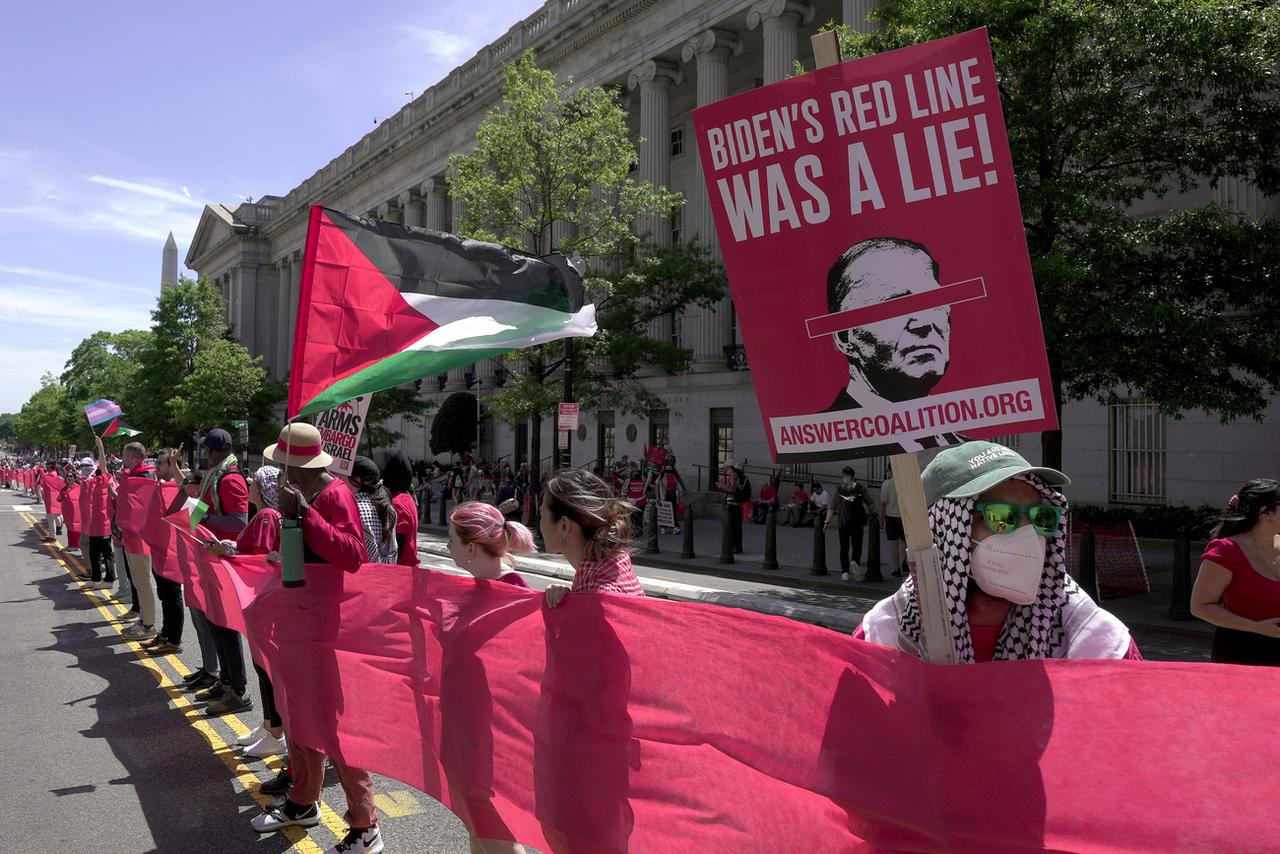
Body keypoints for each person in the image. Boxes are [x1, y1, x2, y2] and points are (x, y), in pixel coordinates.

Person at [856, 441, 1141, 662]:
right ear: (944, 530)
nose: (1028, 535)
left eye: (1041, 517)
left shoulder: (1095, 641)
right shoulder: (885, 635)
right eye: (1002, 517)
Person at [250, 423, 385, 854]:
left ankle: (365, 824)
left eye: (282, 463)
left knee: (335, 726)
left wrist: (307, 515)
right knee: (300, 717)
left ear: (296, 464)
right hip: (300, 624)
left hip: (325, 629)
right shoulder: (301, 493)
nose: (278, 470)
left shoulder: (333, 494)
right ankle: (304, 800)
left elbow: (352, 556)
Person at [823, 237, 962, 452]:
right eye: (895, 306)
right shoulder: (822, 447)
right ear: (844, 337)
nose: (924, 323)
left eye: (933, 300)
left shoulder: (963, 446)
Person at [206, 465, 289, 758]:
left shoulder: (267, 516)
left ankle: (275, 731)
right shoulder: (267, 515)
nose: (249, 484)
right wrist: (231, 546)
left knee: (265, 668)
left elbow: (261, 558)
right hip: (264, 601)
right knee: (261, 667)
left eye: (254, 481)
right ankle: (269, 725)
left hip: (262, 602)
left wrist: (228, 551)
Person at [1190, 479, 1280, 666]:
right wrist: (1256, 627)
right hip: (1242, 654)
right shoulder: (1226, 551)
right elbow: (1200, 606)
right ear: (1266, 512)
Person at [540, 469, 645, 607]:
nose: (540, 523)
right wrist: (568, 604)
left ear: (564, 526)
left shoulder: (597, 599)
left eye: (541, 515)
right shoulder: (609, 570)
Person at [349, 456, 399, 564]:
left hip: (365, 575)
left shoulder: (356, 508)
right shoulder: (386, 505)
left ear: (357, 480)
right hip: (386, 572)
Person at [826, 467, 872, 581]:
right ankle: (854, 562)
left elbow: (831, 507)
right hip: (858, 523)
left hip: (843, 522)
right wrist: (869, 514)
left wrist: (826, 522)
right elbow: (871, 503)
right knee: (857, 546)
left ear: (843, 476)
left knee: (844, 547)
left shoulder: (838, 489)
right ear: (853, 476)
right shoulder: (860, 488)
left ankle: (845, 572)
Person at [382, 452, 420, 568]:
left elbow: (397, 544)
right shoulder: (407, 497)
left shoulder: (398, 503)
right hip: (408, 567)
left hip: (401, 569)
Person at [880, 475, 906, 577]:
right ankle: (904, 562)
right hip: (903, 516)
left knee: (894, 544)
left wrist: (881, 520)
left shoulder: (886, 484)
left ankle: (897, 568)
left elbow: (883, 505)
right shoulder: (905, 483)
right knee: (903, 541)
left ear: (889, 470)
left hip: (891, 517)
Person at [725, 461, 751, 554]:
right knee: (737, 527)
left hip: (732, 504)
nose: (725, 469)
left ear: (731, 467)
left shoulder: (733, 475)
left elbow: (732, 490)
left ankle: (732, 546)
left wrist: (722, 486)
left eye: (726, 467)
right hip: (739, 504)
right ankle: (738, 547)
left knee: (731, 526)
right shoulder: (741, 475)